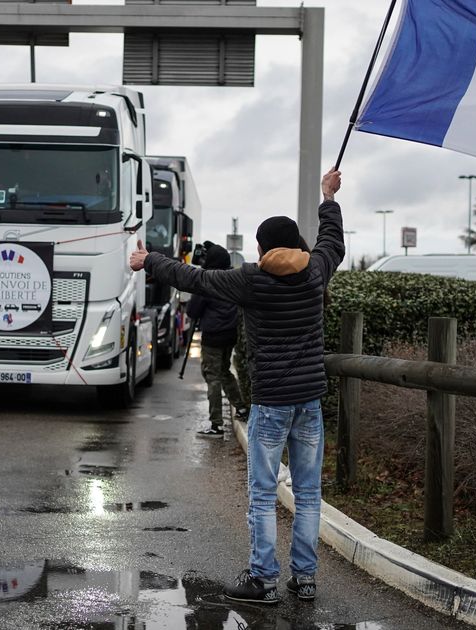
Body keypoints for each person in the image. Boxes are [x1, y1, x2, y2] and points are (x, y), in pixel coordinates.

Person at [129, 169, 346, 605]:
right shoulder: (317, 271)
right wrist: (328, 198)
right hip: (308, 403)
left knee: (264, 495)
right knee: (308, 493)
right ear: (297, 244)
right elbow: (332, 242)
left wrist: (149, 260)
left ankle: (263, 580)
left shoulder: (251, 280)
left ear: (264, 248)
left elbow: (194, 279)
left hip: (270, 404)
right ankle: (304, 579)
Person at [186, 241, 246, 437]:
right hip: (230, 334)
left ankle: (216, 425)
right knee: (224, 371)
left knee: (212, 376)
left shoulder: (207, 281)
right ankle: (241, 407)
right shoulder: (232, 279)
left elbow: (192, 310)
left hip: (212, 336)